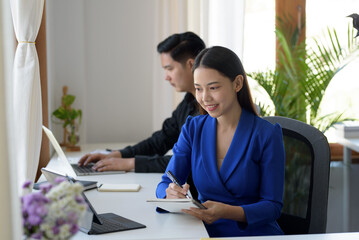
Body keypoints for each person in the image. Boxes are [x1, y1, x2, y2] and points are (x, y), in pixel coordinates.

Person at [156, 46, 285, 237]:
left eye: (214, 87)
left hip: (253, 233)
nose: (205, 98)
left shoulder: (266, 135)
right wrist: (169, 194)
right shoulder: (193, 128)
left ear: (237, 83)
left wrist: (226, 212)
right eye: (199, 89)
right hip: (202, 231)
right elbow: (166, 182)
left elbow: (272, 206)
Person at [78, 32, 205, 198]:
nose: (166, 77)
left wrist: (129, 163)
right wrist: (119, 154)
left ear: (191, 64)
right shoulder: (188, 100)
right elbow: (161, 140)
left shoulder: (209, 110)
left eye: (169, 68)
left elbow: (186, 161)